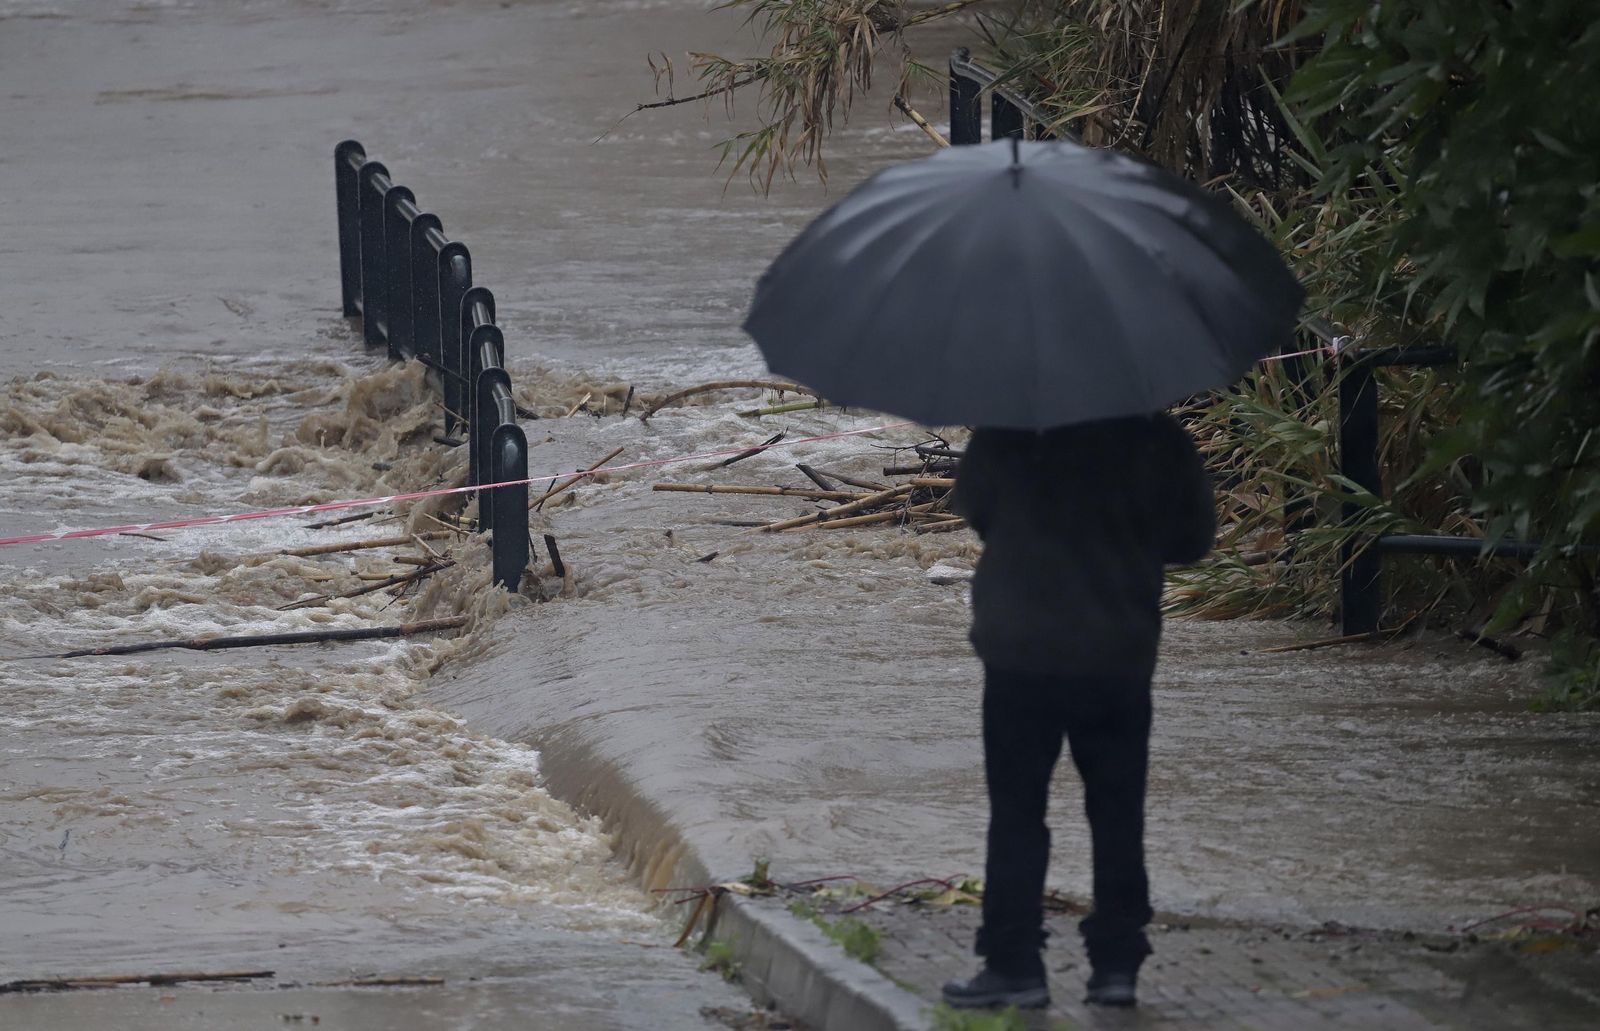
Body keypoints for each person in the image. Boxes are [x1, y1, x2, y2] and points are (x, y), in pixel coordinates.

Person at [940, 412, 1215, 1010]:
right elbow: (1193, 542)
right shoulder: (1159, 438)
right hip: (1117, 652)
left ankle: (1015, 966)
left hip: (1021, 653)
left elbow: (980, 516)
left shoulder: (1006, 429)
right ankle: (1116, 968)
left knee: (1016, 814)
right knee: (1117, 813)